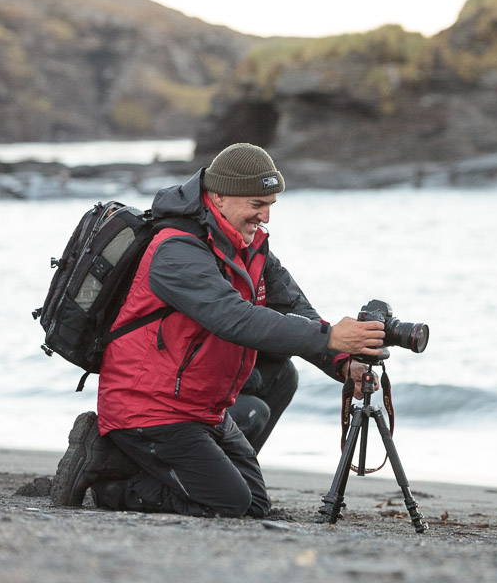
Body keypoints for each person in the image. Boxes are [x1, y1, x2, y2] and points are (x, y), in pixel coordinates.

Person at [50, 143, 384, 517]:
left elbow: (294, 308)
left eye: (271, 204)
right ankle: (108, 479)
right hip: (149, 409)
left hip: (200, 408)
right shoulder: (176, 250)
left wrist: (341, 362)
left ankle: (191, 471)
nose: (267, 217)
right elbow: (232, 318)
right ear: (220, 196)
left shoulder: (251, 245)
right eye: (258, 204)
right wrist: (329, 336)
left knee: (254, 505)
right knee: (229, 504)